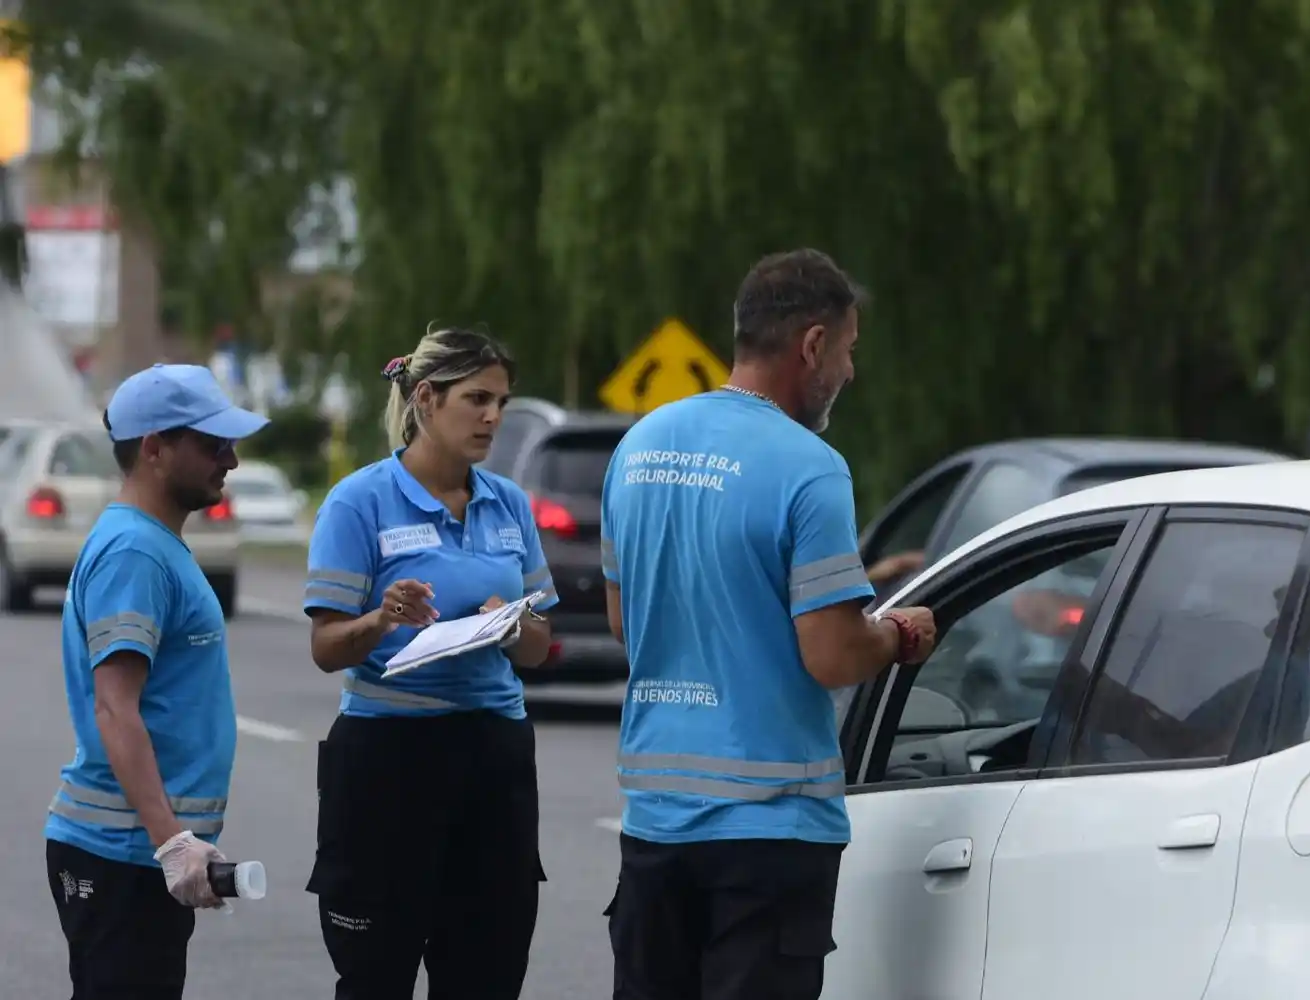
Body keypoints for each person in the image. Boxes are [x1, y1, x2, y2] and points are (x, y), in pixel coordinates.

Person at [599, 248, 939, 1000]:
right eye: (847, 351)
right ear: (811, 345)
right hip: (770, 835)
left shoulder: (639, 447)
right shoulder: (807, 466)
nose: (848, 373)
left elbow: (627, 621)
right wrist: (897, 636)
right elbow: (832, 655)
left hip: (653, 824)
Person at [302, 326, 559, 1000]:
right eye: (477, 399)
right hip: (389, 756)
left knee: (488, 974)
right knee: (375, 974)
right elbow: (327, 647)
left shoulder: (510, 504)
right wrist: (381, 618)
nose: (493, 418)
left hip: (494, 755)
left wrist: (512, 624)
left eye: (502, 401)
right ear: (425, 398)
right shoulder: (359, 501)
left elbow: (539, 646)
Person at [44, 363, 270, 1000]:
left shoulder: (154, 543)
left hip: (135, 851)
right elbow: (116, 709)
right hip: (120, 854)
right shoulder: (136, 553)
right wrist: (171, 842)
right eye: (210, 443)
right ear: (153, 449)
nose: (229, 458)